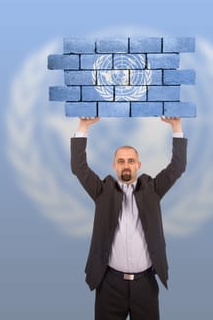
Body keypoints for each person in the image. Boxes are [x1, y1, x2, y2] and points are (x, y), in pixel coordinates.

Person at [71, 117, 188, 320]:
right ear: (114, 166)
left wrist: (176, 127)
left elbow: (177, 167)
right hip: (109, 284)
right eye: (121, 161)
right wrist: (83, 127)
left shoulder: (153, 189)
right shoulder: (102, 191)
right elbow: (79, 168)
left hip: (146, 285)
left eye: (131, 161)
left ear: (138, 165)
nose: (126, 165)